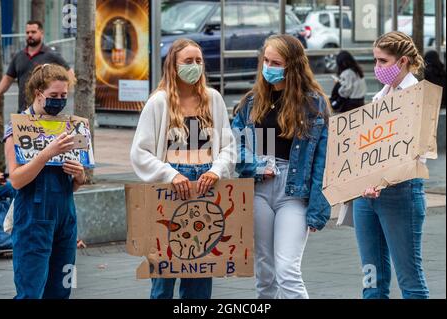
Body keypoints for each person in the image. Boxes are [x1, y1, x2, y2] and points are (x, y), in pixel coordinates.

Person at [130, 38, 236, 299]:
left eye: (199, 61)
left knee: (200, 270)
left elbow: (229, 146)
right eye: (188, 61)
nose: (195, 66)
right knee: (164, 272)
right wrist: (170, 173)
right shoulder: (159, 103)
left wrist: (216, 170)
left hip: (206, 185)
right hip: (168, 189)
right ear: (173, 66)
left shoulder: (213, 99)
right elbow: (139, 151)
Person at [232, 34, 331, 299]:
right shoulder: (251, 102)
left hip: (294, 190)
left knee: (287, 269)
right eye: (266, 60)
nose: (269, 67)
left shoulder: (313, 104)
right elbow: (234, 144)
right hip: (259, 187)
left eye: (276, 62)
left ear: (292, 66)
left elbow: (323, 158)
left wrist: (318, 208)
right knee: (265, 273)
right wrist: (254, 165)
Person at [353, 31, 429, 299]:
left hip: (400, 192)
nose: (377, 68)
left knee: (410, 280)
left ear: (404, 61)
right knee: (371, 277)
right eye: (375, 61)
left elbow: (419, 154)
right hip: (367, 195)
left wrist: (382, 179)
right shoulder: (380, 97)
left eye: (383, 61)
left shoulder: (418, 97)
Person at [3, 63, 85, 299]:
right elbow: (16, 181)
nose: (59, 101)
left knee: (62, 290)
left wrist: (79, 176)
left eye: (63, 96)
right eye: (53, 96)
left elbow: (75, 183)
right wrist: (46, 154)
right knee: (31, 292)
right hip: (32, 219)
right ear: (39, 94)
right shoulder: (17, 128)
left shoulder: (68, 126)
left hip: (66, 217)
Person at [0, 20, 74, 113]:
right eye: (27, 32)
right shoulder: (19, 56)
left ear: (41, 33)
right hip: (23, 110)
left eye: (33, 32)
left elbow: (70, 73)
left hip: (45, 111)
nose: (30, 35)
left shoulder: (52, 55)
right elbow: (8, 78)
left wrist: (61, 92)